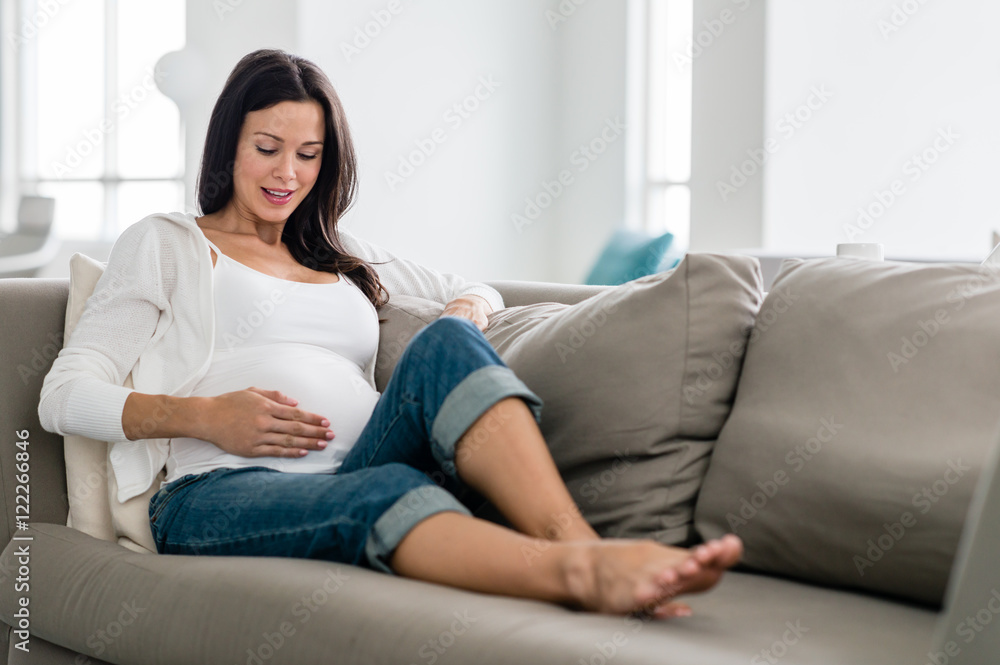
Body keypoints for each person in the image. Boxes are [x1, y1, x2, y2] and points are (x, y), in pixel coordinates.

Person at [38, 48, 742, 619]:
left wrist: (465, 311)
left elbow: (475, 287)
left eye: (309, 154)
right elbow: (64, 393)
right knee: (379, 493)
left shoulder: (338, 251)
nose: (288, 173)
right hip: (217, 491)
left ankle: (580, 543)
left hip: (361, 466)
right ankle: (583, 571)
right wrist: (207, 416)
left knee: (445, 347)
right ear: (229, 144)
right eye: (268, 147)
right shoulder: (168, 243)